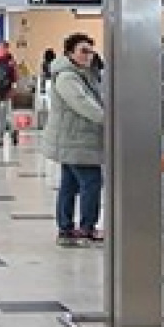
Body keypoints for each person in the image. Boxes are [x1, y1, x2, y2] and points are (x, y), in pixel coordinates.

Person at [44, 33, 105, 247]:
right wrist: (109, 119)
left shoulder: (83, 74)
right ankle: (87, 228)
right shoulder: (67, 77)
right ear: (70, 53)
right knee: (91, 182)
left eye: (91, 51)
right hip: (76, 140)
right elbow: (83, 103)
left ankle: (66, 229)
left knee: (69, 185)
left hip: (75, 139)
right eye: (83, 51)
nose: (88, 55)